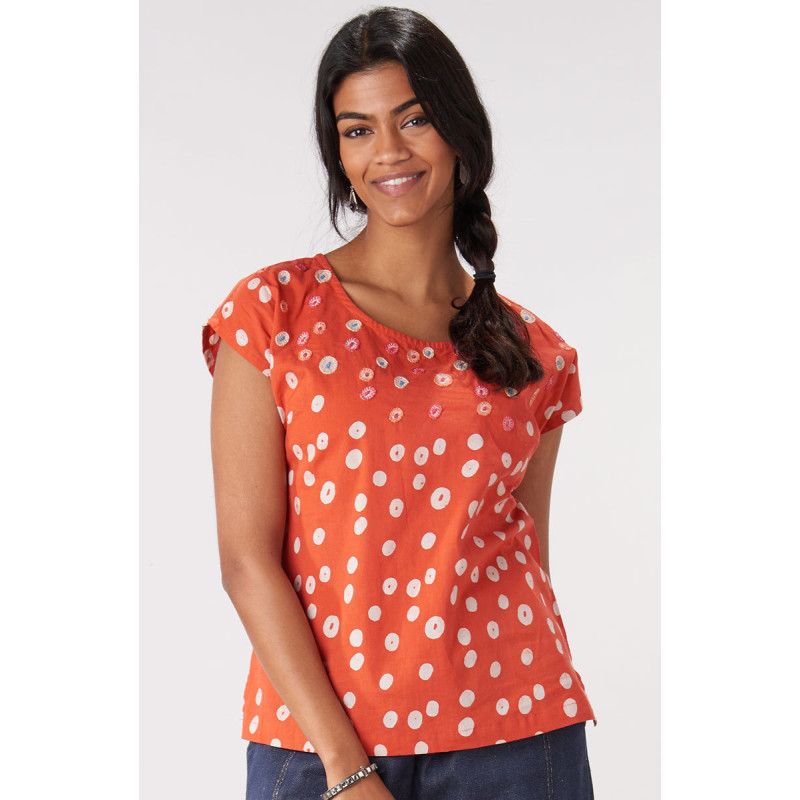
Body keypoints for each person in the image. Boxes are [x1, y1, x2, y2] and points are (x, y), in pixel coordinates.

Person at [202, 6, 597, 799]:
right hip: (316, 746)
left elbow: (528, 560)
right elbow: (246, 562)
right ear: (339, 153)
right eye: (358, 129)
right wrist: (347, 770)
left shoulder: (535, 353)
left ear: (458, 130)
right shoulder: (274, 314)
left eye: (413, 119)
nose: (388, 150)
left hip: (516, 735)